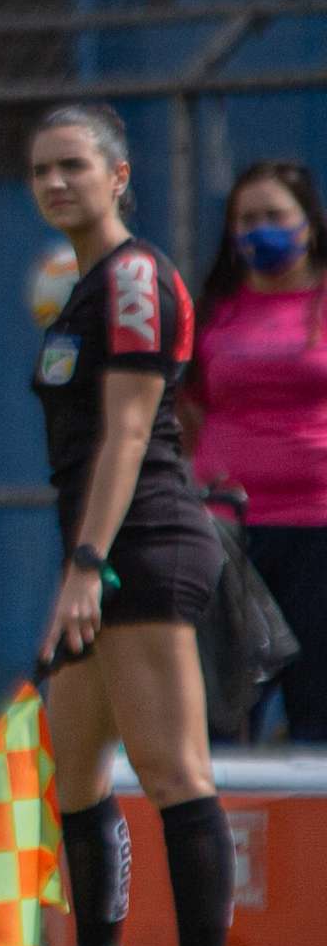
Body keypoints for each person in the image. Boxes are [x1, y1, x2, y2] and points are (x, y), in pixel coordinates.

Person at [14, 103, 236, 946]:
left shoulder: (136, 274)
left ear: (119, 176)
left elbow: (132, 432)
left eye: (73, 165)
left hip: (140, 545)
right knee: (73, 768)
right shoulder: (84, 286)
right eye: (40, 170)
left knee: (173, 769)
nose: (55, 182)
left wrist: (87, 567)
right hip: (100, 554)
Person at [182, 159, 327, 741]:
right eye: (246, 219)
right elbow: (186, 409)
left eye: (274, 215)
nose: (260, 230)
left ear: (309, 223)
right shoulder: (214, 311)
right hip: (229, 533)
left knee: (316, 711)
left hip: (317, 529)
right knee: (220, 713)